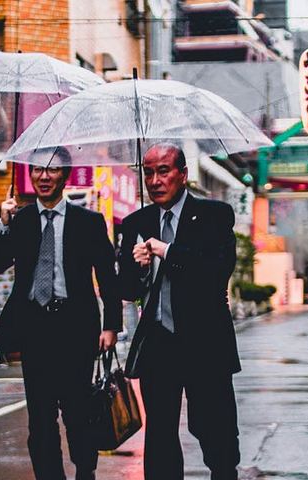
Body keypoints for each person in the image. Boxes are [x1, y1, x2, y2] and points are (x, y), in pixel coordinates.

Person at [0, 147, 122, 480]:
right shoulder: (20, 221)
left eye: (52, 170)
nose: (43, 176)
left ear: (66, 175)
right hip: (35, 329)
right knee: (40, 418)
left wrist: (111, 326)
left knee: (78, 412)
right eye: (37, 170)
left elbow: (107, 275)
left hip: (76, 328)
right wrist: (3, 223)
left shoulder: (88, 222)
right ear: (30, 175)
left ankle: (85, 472)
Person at [118, 143, 241, 480]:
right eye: (148, 172)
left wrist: (167, 251)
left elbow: (217, 269)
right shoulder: (136, 222)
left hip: (205, 343)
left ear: (183, 175)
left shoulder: (215, 215)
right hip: (159, 342)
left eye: (163, 171)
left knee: (216, 435)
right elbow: (127, 289)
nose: (155, 180)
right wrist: (137, 267)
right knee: (159, 436)